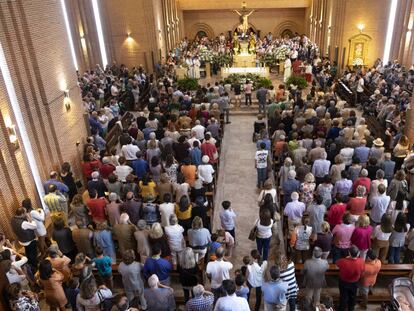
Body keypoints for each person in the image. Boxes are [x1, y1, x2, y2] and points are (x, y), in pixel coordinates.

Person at [336, 245, 365, 311]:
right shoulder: (361, 261)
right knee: (353, 297)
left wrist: (347, 258)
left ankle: (342, 308)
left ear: (349, 253)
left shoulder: (342, 261)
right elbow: (362, 271)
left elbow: (337, 265)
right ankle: (351, 308)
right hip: (354, 282)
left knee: (343, 296)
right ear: (358, 254)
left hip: (344, 282)